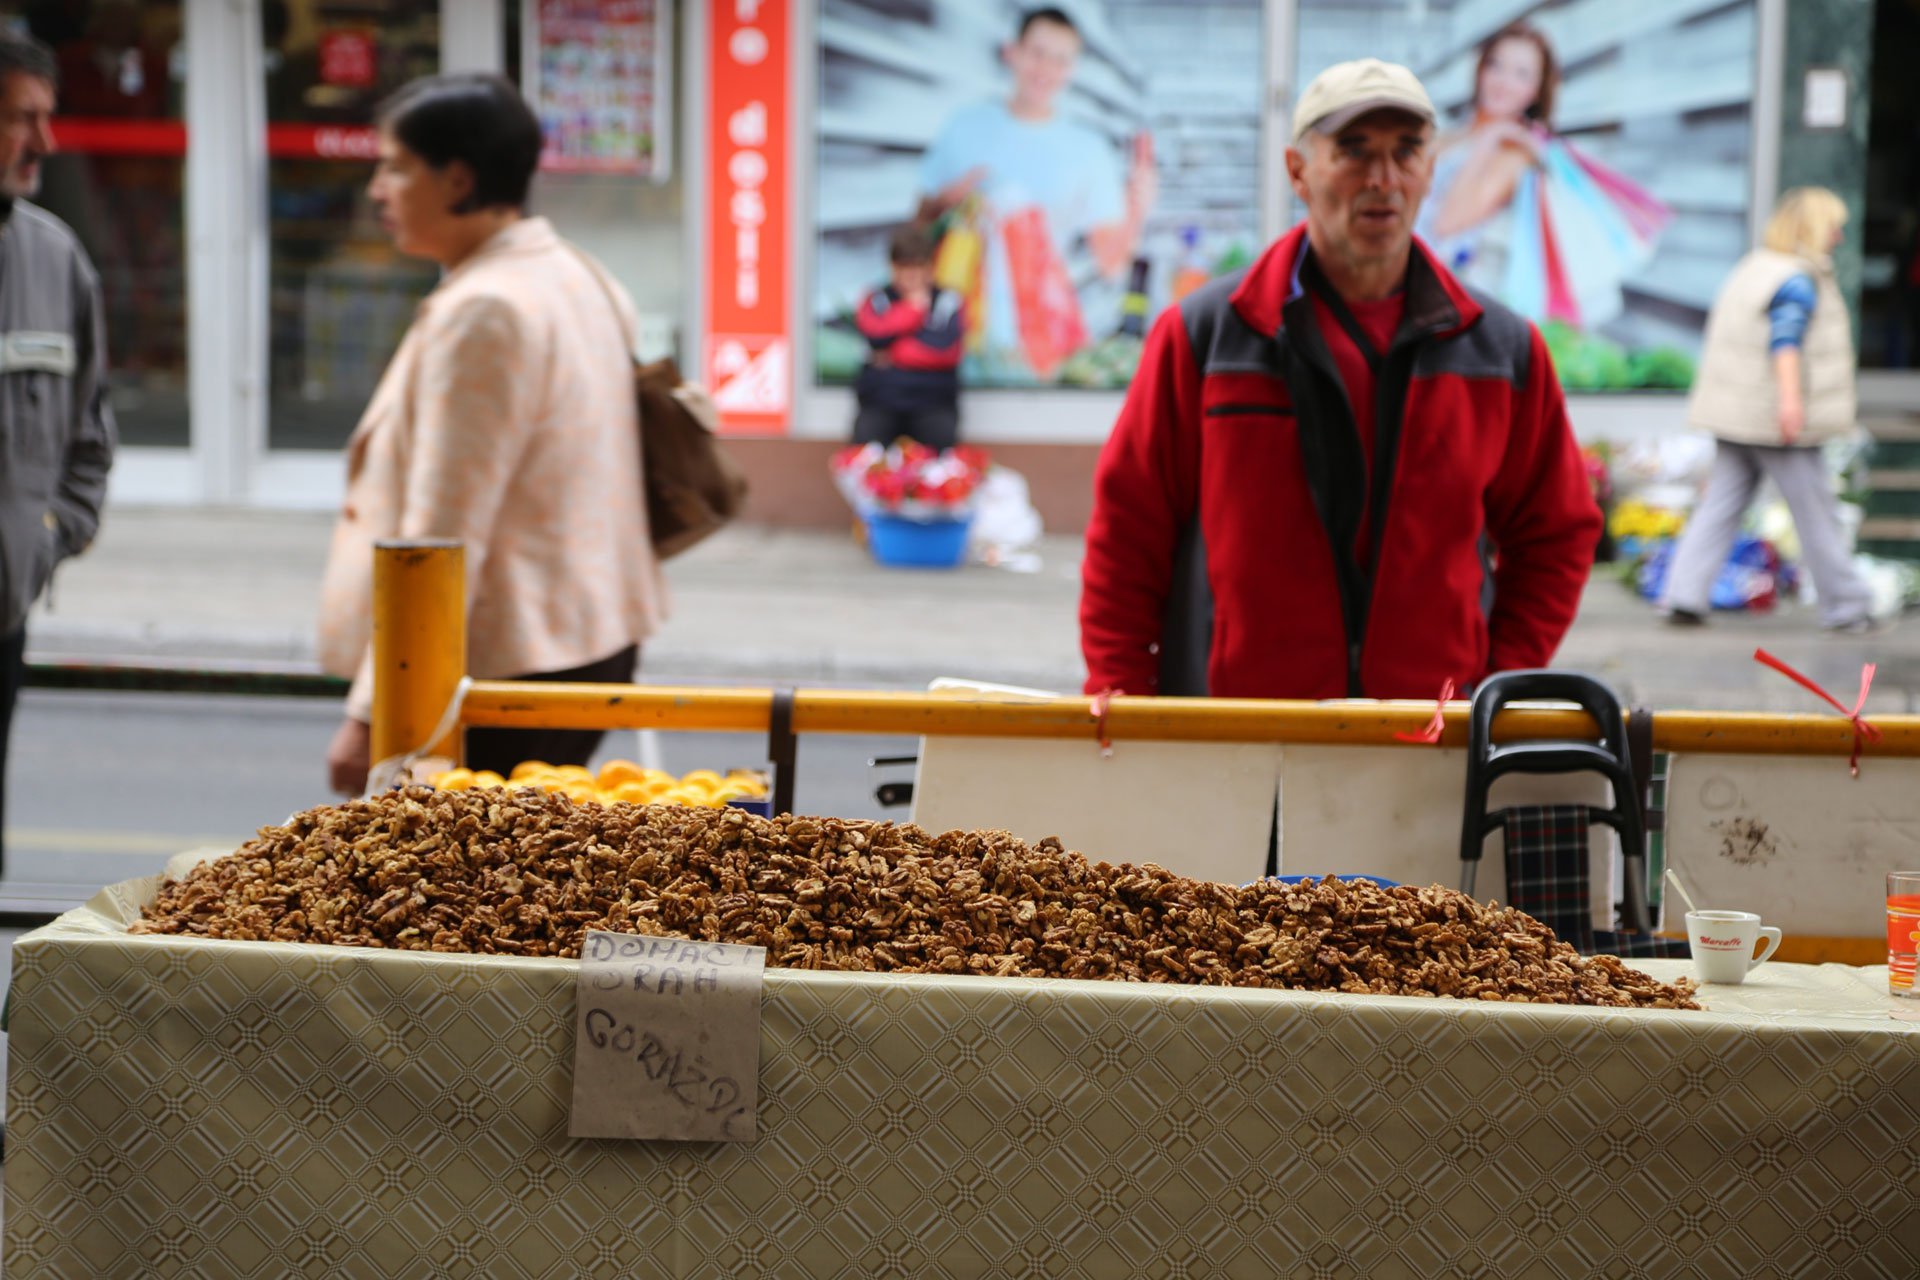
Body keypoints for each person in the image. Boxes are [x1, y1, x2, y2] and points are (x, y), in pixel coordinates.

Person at [1079, 58, 1600, 703]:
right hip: (1239, 727)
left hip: (1431, 732)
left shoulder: (1500, 350)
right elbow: (1130, 525)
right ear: (1298, 170)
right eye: (1353, 151)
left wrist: (1496, 681)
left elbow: (1556, 531)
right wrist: (1122, 688)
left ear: (1430, 169)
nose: (1383, 179)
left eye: (1405, 152)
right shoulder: (1208, 335)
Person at [319, 74, 663, 794]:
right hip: (583, 637)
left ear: (458, 179)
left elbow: (443, 530)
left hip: (504, 667)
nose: (377, 189)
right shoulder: (574, 271)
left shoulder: (486, 308)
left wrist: (373, 713)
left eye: (395, 167)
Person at [0, 33, 116, 866]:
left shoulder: (55, 259)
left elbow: (89, 438)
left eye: (46, 116)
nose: (44, 141)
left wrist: (43, 542)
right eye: (18, 118)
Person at [1661, 188, 1877, 632]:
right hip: (1771, 416)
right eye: (1834, 226)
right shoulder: (1795, 279)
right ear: (1814, 228)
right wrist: (1791, 403)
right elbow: (1785, 343)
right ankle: (1848, 604)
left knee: (1721, 503)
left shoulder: (1756, 267)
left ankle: (1683, 594)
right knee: (1816, 510)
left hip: (1736, 413)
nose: (1839, 236)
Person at [914, 6, 1155, 381]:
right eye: (1037, 53)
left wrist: (1137, 210)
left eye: (1060, 60)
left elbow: (1111, 262)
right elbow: (917, 225)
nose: (1045, 69)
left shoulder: (1087, 150)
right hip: (957, 335)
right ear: (1012, 52)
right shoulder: (965, 127)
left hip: (1042, 343)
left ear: (1072, 69)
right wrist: (945, 202)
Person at [1416, 22, 1668, 332]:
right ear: (1481, 69)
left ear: (1536, 90)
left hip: (1436, 298)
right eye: (1496, 65)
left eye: (1521, 73)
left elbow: (1446, 223)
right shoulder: (1452, 136)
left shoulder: (1514, 154)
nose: (1503, 81)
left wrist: (1490, 138)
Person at [851, 225, 965, 450]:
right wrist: (913, 311)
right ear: (893, 267)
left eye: (917, 267)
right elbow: (874, 336)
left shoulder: (948, 301)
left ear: (930, 268)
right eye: (904, 267)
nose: (911, 275)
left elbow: (946, 351)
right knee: (864, 454)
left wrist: (894, 352)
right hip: (881, 402)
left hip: (933, 403)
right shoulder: (876, 299)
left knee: (942, 458)